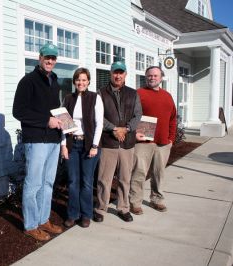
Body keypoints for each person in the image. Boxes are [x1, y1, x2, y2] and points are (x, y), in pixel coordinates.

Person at [12, 43, 63, 241]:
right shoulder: (28, 81)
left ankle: (43, 219)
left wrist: (63, 122)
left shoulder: (55, 80)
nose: (50, 61)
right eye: (46, 57)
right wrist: (46, 121)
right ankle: (31, 225)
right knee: (33, 183)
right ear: (39, 58)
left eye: (53, 58)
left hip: (53, 140)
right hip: (36, 140)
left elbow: (54, 109)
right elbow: (19, 111)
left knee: (47, 182)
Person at [94, 61, 142, 223]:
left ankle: (123, 208)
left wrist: (126, 129)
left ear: (125, 74)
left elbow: (138, 115)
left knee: (125, 178)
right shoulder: (100, 93)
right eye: (115, 72)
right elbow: (99, 117)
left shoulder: (133, 93)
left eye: (121, 72)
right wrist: (114, 129)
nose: (118, 75)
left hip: (127, 143)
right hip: (108, 142)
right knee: (104, 179)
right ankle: (101, 208)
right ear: (110, 74)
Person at [129, 66, 177, 215]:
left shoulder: (167, 96)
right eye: (150, 76)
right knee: (139, 173)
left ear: (161, 77)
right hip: (144, 140)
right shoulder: (139, 93)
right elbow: (130, 115)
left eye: (155, 76)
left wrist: (171, 139)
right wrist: (135, 132)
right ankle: (135, 202)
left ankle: (157, 199)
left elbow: (173, 118)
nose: (152, 78)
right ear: (146, 77)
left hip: (163, 142)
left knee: (159, 173)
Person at [61, 68, 104, 228]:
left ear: (88, 82)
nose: (81, 82)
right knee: (73, 182)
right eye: (78, 80)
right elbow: (63, 124)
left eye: (84, 80)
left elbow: (99, 123)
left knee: (86, 182)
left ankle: (86, 214)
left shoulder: (95, 98)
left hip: (89, 145)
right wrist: (63, 145)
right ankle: (73, 214)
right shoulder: (67, 99)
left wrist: (94, 145)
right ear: (74, 82)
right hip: (72, 144)